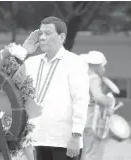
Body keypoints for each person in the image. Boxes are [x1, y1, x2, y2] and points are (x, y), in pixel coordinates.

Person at [21, 16, 89, 160]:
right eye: (40, 33)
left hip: (64, 140)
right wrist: (24, 52)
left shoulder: (75, 62)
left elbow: (80, 101)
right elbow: (8, 81)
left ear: (62, 37)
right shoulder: (31, 62)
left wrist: (76, 135)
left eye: (48, 33)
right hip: (36, 139)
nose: (42, 38)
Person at [79, 51, 113, 160]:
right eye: (103, 66)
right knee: (93, 154)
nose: (104, 69)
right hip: (91, 121)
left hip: (81, 120)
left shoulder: (81, 77)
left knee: (84, 153)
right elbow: (98, 97)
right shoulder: (94, 78)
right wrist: (109, 101)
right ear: (98, 65)